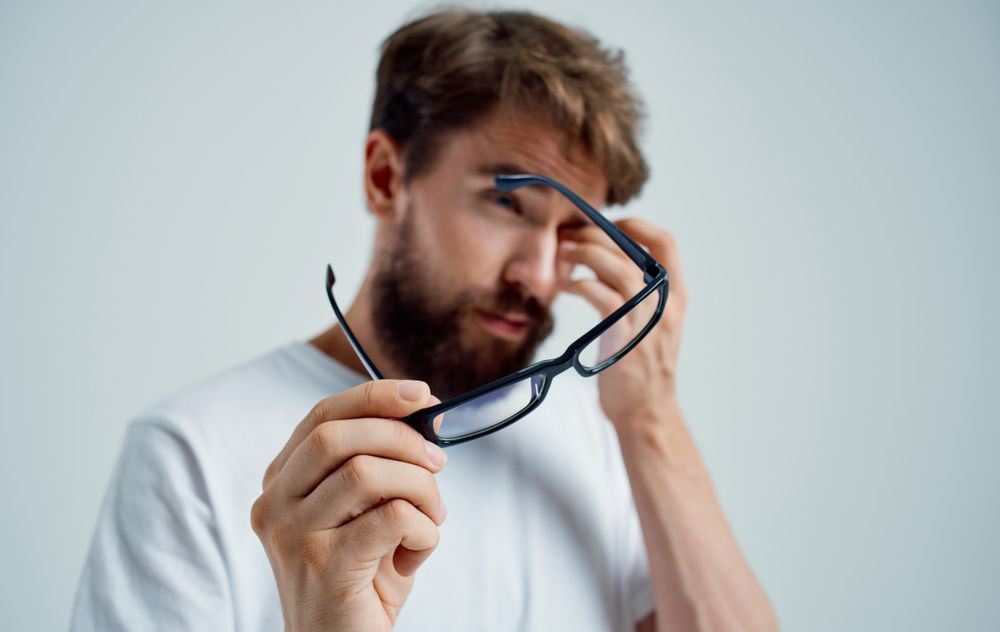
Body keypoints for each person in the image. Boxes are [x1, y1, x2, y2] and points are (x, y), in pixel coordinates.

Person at [70, 8, 777, 631]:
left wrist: (650, 419)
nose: (536, 275)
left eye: (570, 233)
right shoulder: (192, 452)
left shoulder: (604, 445)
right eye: (508, 203)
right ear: (386, 177)